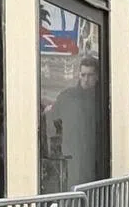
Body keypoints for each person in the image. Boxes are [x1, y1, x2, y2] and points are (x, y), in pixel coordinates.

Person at [43, 56, 103, 191]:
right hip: (72, 157)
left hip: (95, 158)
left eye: (90, 75)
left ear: (97, 76)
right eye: (83, 75)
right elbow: (53, 122)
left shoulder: (102, 99)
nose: (86, 80)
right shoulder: (67, 97)